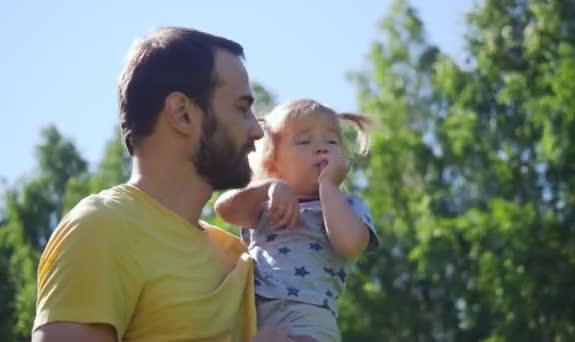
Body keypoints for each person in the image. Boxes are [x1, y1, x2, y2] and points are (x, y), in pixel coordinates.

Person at [32, 27, 295, 342]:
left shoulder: (235, 252)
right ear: (182, 114)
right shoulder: (102, 228)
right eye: (241, 108)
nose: (256, 130)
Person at [214, 99, 381, 342]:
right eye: (304, 141)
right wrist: (269, 187)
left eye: (332, 141)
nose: (321, 148)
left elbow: (351, 245)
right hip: (251, 314)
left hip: (307, 316)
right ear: (273, 166)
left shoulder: (347, 205)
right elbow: (225, 209)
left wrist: (328, 186)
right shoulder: (266, 205)